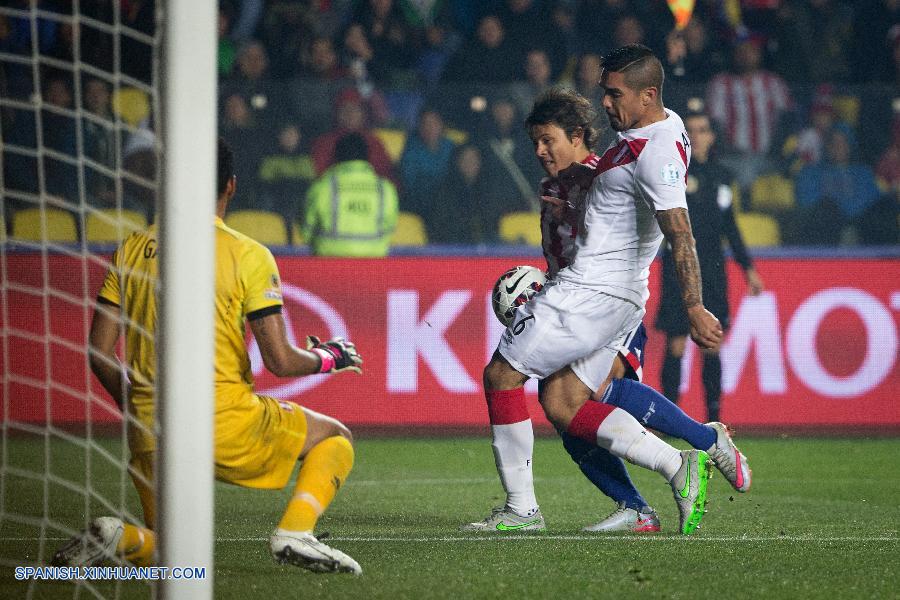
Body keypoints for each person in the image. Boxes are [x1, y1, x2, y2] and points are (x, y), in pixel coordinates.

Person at [466, 45, 746, 536]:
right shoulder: (651, 131)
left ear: (648, 94)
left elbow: (679, 230)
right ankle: (676, 468)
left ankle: (522, 510)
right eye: (604, 93)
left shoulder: (654, 151)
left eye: (615, 94)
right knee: (563, 403)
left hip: (594, 290)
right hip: (603, 293)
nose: (607, 104)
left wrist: (695, 305)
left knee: (502, 376)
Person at [52, 139, 365, 575]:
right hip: (224, 419)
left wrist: (134, 404)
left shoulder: (131, 249)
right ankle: (295, 531)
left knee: (173, 560)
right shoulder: (247, 253)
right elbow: (279, 360)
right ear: (231, 187)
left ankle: (116, 536)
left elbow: (99, 352)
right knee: (334, 437)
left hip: (148, 427)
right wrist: (329, 357)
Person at [656, 109, 764, 423]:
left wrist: (748, 268)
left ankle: (715, 418)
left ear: (711, 136)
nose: (697, 136)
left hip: (713, 270)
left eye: (702, 130)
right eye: (691, 130)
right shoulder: (672, 172)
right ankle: (669, 417)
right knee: (676, 343)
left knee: (711, 343)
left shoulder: (721, 176)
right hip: (678, 266)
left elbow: (730, 227)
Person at [304, 132, 399, 257]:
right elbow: (390, 227)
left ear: (336, 156)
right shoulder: (385, 189)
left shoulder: (322, 187)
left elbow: (306, 231)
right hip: (374, 264)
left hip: (329, 264)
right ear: (367, 157)